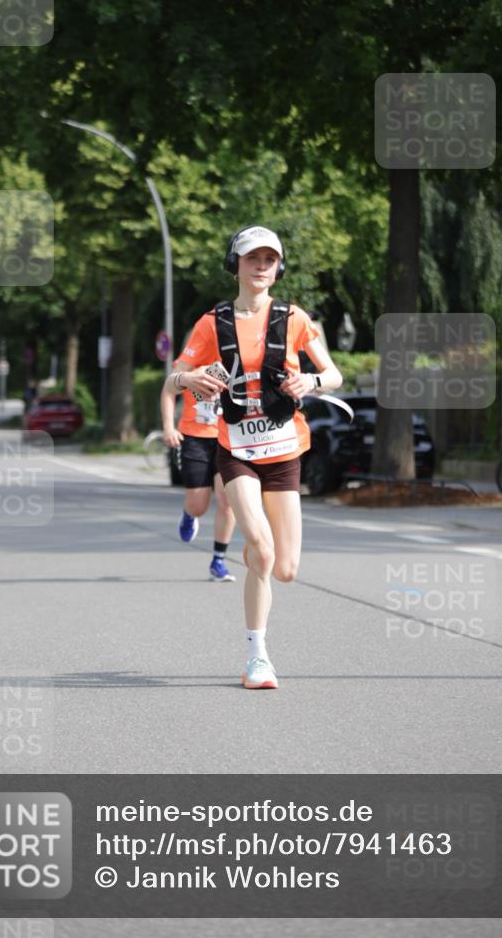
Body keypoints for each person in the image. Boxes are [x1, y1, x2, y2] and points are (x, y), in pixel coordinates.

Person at [167, 225, 343, 688]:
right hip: (236, 450)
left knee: (285, 569)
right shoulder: (213, 323)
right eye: (252, 258)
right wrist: (190, 381)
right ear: (236, 264)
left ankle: (255, 549)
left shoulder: (296, 319)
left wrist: (312, 382)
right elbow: (173, 378)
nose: (261, 266)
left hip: (285, 451)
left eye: (270, 259)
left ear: (279, 267)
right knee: (263, 555)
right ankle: (257, 658)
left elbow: (334, 374)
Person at [160, 371, 237, 582]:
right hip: (194, 438)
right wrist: (168, 427)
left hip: (228, 438)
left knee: (228, 499)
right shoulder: (192, 360)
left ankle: (218, 561)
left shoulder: (237, 358)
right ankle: (189, 513)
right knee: (198, 506)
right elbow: (168, 390)